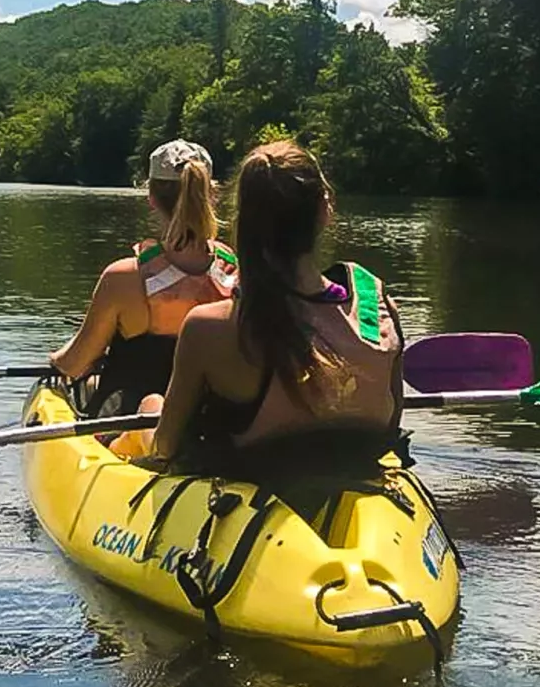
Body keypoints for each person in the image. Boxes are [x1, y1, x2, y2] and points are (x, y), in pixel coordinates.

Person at [111, 138, 404, 463]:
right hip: (360, 477)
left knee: (152, 402)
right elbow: (392, 424)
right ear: (325, 210)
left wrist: (150, 413)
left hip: (254, 491)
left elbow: (166, 448)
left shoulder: (208, 327)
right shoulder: (379, 312)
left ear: (244, 221)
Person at [49, 139, 238, 416]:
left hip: (129, 422)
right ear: (211, 194)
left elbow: (75, 363)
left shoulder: (123, 277)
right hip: (209, 420)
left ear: (151, 198)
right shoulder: (235, 272)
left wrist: (55, 359)